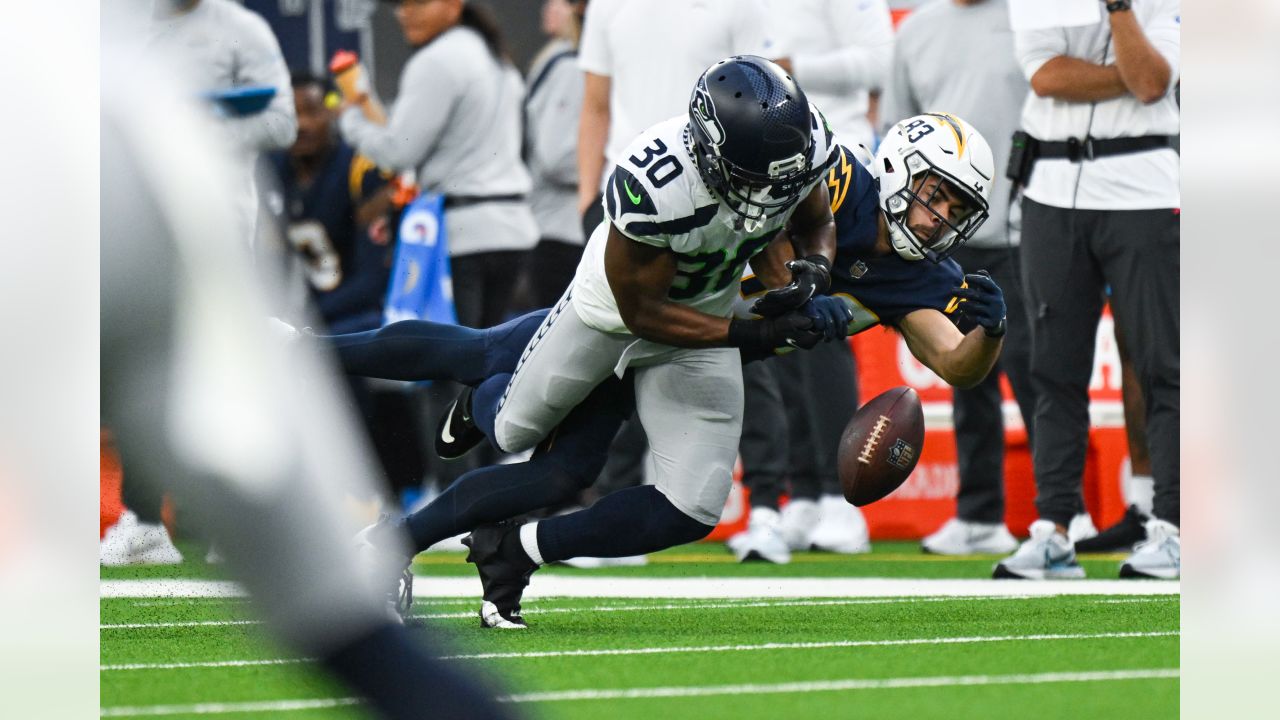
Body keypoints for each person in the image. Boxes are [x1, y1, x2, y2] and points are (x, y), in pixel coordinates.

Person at [335, 109, 1002, 627]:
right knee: (493, 368)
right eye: (934, 193)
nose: (938, 217)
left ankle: (510, 543)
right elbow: (770, 232)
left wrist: (989, 332)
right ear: (897, 165)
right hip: (654, 297)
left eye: (955, 210)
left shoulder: (921, 275)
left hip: (706, 342)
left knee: (612, 480)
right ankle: (330, 357)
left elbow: (954, 361)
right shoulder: (831, 177)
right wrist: (804, 291)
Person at [101, 21, 515, 718]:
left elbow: (376, 268)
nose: (309, 124)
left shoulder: (352, 169)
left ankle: (375, 521)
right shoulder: (269, 175)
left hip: (344, 310)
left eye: (320, 109)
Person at [994, 0, 1180, 580]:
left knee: (1162, 363)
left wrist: (1120, 10)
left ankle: (1174, 526)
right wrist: (1125, 74)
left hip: (1143, 185)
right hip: (1051, 186)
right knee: (1052, 366)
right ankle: (1054, 527)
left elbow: (1150, 83)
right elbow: (1046, 76)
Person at [730, 0, 895, 563]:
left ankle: (842, 497)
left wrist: (789, 67)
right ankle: (803, 491)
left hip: (837, 162)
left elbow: (878, 61)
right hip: (768, 169)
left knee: (823, 333)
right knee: (781, 324)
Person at [879, 0, 1032, 556]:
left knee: (1040, 373)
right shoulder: (916, 30)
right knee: (969, 379)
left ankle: (1063, 516)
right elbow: (893, 130)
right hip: (936, 240)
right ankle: (978, 515)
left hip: (1023, 225)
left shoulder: (1029, 16)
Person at [339, 0, 538, 329]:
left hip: (462, 238)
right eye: (399, 5)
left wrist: (350, 118)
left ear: (454, 4)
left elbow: (396, 153)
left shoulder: (436, 60)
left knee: (451, 365)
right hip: (513, 232)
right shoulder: (496, 56)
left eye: (417, 3)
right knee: (490, 364)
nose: (404, 12)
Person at [267, 71, 393, 334]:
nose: (302, 125)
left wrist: (305, 318)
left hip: (367, 316)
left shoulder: (359, 170)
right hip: (317, 317)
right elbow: (269, 262)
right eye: (293, 114)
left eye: (312, 112)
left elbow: (373, 280)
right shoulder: (274, 170)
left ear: (332, 112)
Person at [524, 0, 590, 309]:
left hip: (566, 230)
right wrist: (614, 166)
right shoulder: (570, 67)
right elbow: (555, 157)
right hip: (559, 232)